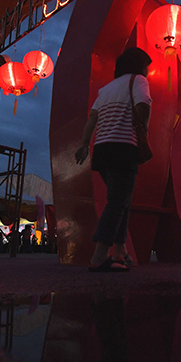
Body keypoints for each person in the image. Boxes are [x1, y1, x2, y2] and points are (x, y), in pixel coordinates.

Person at [75, 47, 153, 272]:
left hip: (102, 149)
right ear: (139, 65)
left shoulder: (106, 89)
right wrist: (144, 127)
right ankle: (100, 256)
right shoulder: (139, 81)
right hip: (123, 147)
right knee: (117, 202)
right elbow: (142, 105)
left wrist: (83, 145)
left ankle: (120, 250)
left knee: (121, 199)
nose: (147, 70)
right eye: (146, 65)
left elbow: (92, 118)